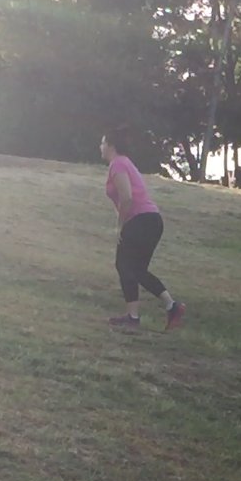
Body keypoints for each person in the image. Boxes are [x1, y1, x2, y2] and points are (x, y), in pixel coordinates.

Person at [100, 126, 186, 331]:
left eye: (102, 143)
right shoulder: (125, 163)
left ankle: (133, 317)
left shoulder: (118, 164)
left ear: (111, 145)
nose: (100, 147)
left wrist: (120, 226)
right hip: (151, 221)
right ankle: (172, 306)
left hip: (141, 221)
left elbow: (127, 198)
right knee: (137, 270)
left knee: (124, 265)